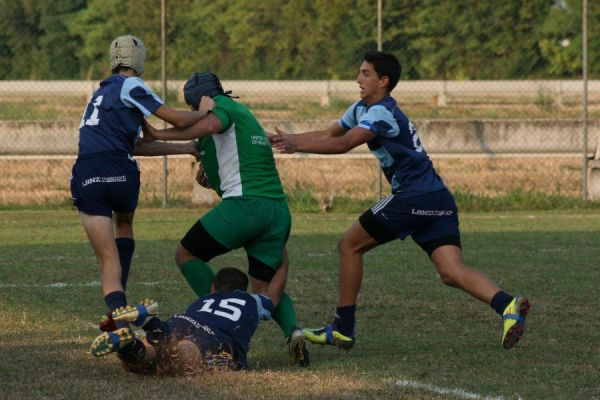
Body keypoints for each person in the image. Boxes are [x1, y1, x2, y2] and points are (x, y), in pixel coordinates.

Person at [269, 49, 531, 350]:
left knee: (349, 246)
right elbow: (331, 132)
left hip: (413, 196)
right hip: (438, 198)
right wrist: (290, 139)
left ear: (384, 80)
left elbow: (342, 144)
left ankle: (343, 328)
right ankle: (508, 305)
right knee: (451, 271)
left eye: (366, 74)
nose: (358, 79)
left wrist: (296, 145)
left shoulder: (381, 114)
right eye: (359, 72)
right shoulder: (361, 108)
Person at [141, 72, 309, 366]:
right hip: (276, 211)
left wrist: (158, 132)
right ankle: (293, 331)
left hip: (244, 207)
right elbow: (223, 156)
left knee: (186, 253)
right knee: (263, 287)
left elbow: (208, 123)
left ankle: (214, 316)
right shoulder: (244, 116)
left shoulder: (221, 109)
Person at [70, 35, 210, 356]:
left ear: (113, 59)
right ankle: (123, 307)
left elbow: (136, 143)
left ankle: (120, 323)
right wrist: (203, 110)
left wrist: (186, 148)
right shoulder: (131, 85)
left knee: (108, 263)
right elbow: (175, 118)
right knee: (125, 225)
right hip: (121, 173)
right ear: (140, 61)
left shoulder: (99, 94)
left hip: (88, 173)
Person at [90, 265, 288, 374]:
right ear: (241, 290)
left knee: (141, 363)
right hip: (217, 335)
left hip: (183, 320)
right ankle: (152, 325)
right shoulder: (252, 300)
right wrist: (283, 261)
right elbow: (275, 293)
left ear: (213, 288)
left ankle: (128, 346)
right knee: (177, 361)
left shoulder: (204, 300)